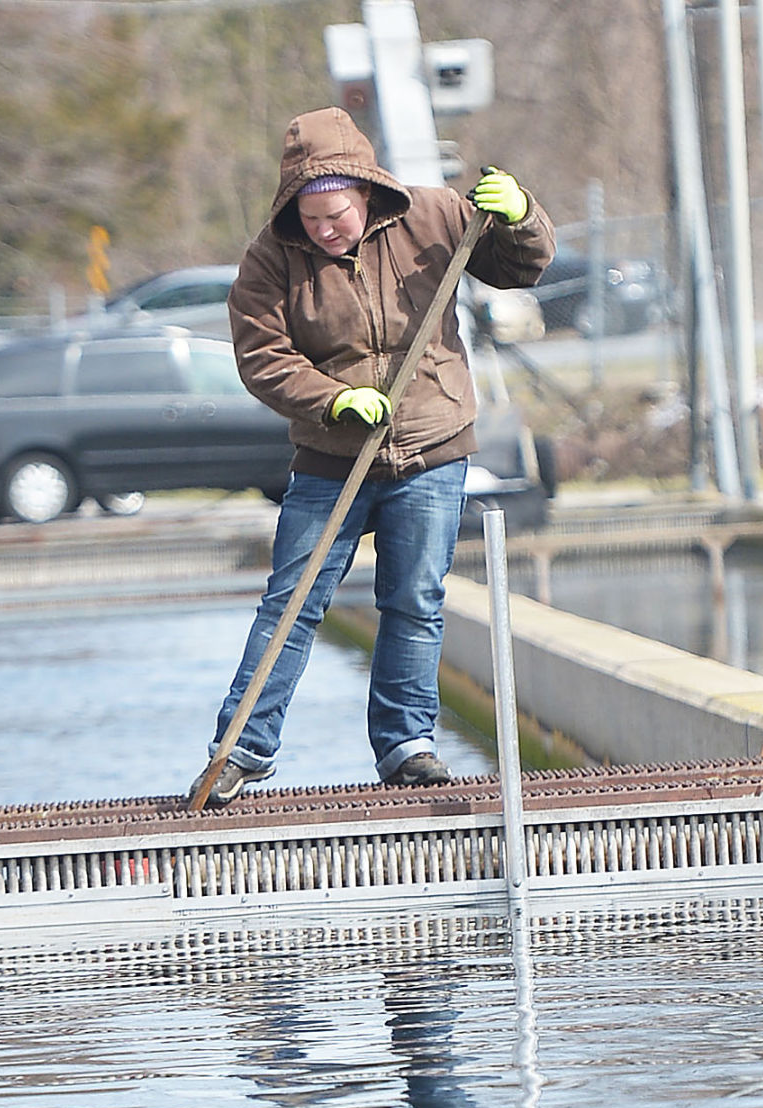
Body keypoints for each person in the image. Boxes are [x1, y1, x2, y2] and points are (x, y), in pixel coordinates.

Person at [190, 106, 555, 808]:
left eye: (336, 214)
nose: (326, 230)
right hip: (333, 457)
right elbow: (262, 356)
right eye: (312, 218)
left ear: (365, 190)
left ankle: (407, 745)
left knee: (414, 599)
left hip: (431, 445)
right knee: (292, 601)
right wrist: (332, 399)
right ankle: (242, 745)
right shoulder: (271, 259)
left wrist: (520, 215)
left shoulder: (436, 216)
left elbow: (521, 268)